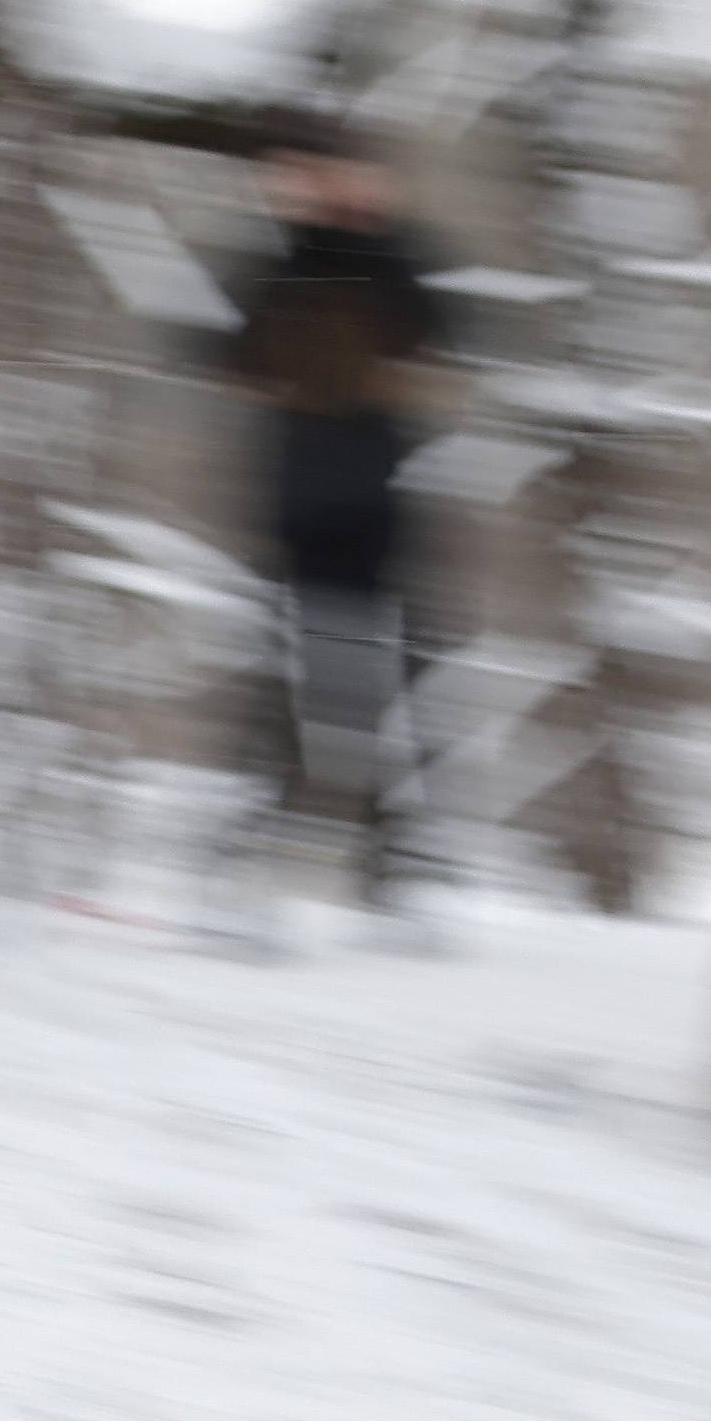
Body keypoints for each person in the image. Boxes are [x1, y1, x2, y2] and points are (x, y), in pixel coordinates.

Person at [222, 117, 449, 910]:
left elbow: (433, 328)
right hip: (295, 502)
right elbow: (230, 350)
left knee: (385, 681)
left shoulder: (390, 259)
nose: (294, 192)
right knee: (288, 681)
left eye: (306, 175)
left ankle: (392, 858)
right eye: (285, 179)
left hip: (378, 502)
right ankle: (268, 846)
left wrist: (373, 229)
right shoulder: (280, 264)